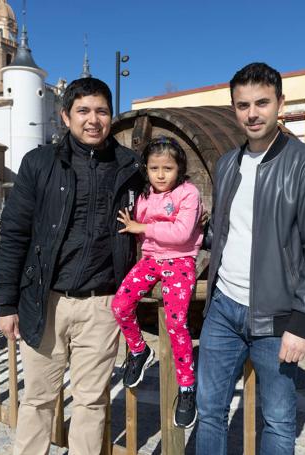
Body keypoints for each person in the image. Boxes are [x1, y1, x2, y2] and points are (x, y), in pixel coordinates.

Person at [0, 77, 145, 455]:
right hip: (46, 301)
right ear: (65, 116)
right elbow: (14, 234)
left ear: (111, 116)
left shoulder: (129, 166)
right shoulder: (39, 163)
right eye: (84, 111)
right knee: (39, 400)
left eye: (102, 111)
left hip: (103, 305)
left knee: (92, 402)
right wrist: (5, 303)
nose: (93, 120)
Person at [196, 62, 305, 454]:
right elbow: (227, 234)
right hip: (223, 310)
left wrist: (302, 320)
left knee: (278, 421)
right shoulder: (228, 164)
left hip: (278, 317)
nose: (252, 113)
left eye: (262, 102)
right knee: (208, 410)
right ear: (234, 108)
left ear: (280, 103)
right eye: (243, 105)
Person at [111, 136, 203, 429]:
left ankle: (187, 388)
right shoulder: (144, 196)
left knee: (177, 323)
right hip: (150, 260)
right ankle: (139, 350)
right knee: (120, 304)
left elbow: (182, 233)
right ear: (146, 169)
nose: (161, 175)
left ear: (179, 169)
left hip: (180, 261)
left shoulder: (188, 194)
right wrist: (136, 226)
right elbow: (139, 231)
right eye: (154, 168)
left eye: (168, 168)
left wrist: (142, 227)